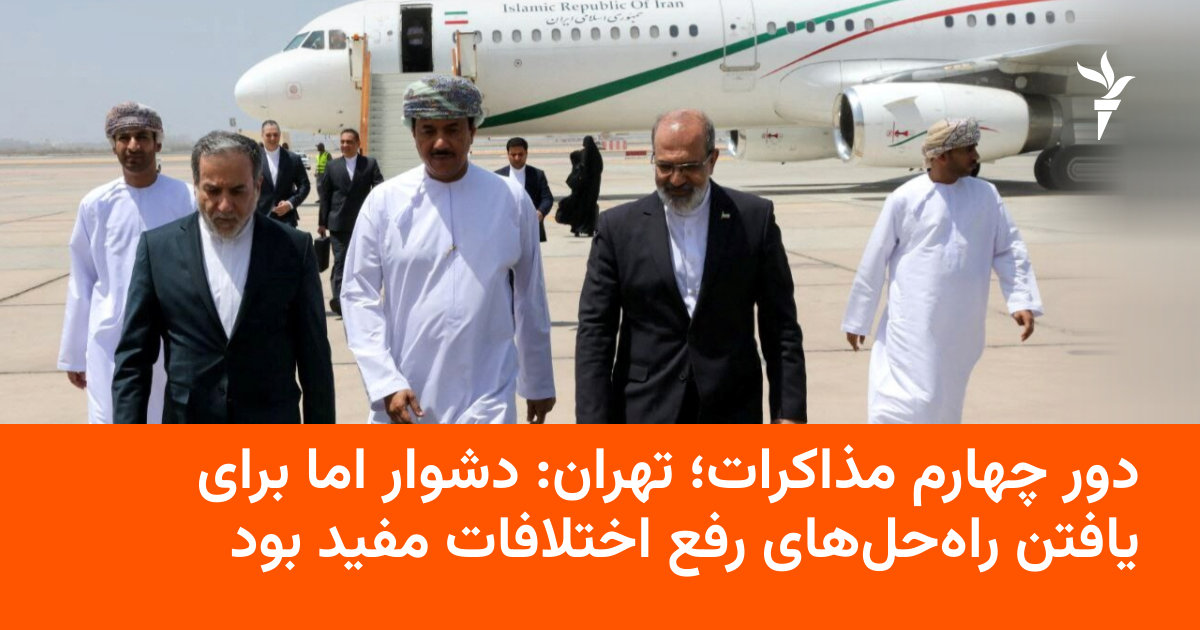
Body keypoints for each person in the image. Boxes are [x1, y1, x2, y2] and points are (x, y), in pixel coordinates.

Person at [340, 75, 555, 424]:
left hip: (489, 396)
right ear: (413, 133)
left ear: (473, 131)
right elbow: (357, 294)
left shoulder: (511, 199)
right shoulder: (384, 202)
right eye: (428, 130)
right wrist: (385, 381)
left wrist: (539, 380)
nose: (440, 142)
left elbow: (531, 296)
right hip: (407, 396)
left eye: (453, 129)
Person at [575, 109, 807, 424]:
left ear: (712, 160)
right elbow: (595, 332)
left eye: (688, 167)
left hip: (731, 412)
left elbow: (781, 327)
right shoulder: (618, 229)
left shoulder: (754, 220)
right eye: (665, 166)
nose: (676, 179)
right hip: (645, 411)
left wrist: (789, 413)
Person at [112, 131, 335, 424]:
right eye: (213, 191)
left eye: (238, 191)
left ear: (257, 187)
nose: (225, 205)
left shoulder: (294, 250)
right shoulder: (158, 251)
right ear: (196, 187)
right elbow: (134, 361)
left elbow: (314, 361)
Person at [841, 118, 1043, 424]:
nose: (976, 156)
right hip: (912, 322)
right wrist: (859, 319)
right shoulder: (906, 198)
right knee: (904, 400)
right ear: (943, 155)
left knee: (944, 401)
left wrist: (1021, 300)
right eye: (968, 149)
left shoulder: (986, 196)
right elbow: (875, 259)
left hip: (960, 326)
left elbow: (1008, 248)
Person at [57, 102, 194, 424]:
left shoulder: (186, 198)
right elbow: (82, 279)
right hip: (110, 341)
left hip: (171, 339)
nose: (133, 145)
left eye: (142, 136)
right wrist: (74, 354)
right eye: (124, 137)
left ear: (157, 143)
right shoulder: (95, 205)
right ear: (113, 146)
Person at [317, 128, 384, 315]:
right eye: (342, 142)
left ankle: (359, 296)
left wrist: (375, 212)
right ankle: (339, 301)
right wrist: (322, 222)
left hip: (363, 223)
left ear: (357, 144)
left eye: (349, 142)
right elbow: (325, 196)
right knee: (340, 261)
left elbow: (379, 188)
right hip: (338, 223)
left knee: (360, 262)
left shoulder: (369, 164)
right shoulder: (332, 166)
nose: (345, 145)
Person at [495, 137, 553, 243]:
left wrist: (540, 212)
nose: (517, 158)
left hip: (531, 230)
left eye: (520, 154)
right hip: (505, 230)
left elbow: (547, 198)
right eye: (513, 155)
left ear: (526, 153)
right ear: (508, 154)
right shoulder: (498, 176)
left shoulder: (537, 175)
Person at [254, 120, 310, 227]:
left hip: (287, 219)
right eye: (268, 135)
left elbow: (305, 186)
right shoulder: (253, 159)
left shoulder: (293, 159)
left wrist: (290, 203)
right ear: (262, 135)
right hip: (260, 219)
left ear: (280, 135)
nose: (272, 138)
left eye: (275, 135)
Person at [570, 135, 603, 237]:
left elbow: (573, 157)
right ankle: (589, 230)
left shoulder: (581, 154)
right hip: (592, 188)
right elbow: (599, 169)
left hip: (581, 188)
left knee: (579, 207)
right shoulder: (596, 156)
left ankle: (577, 229)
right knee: (590, 208)